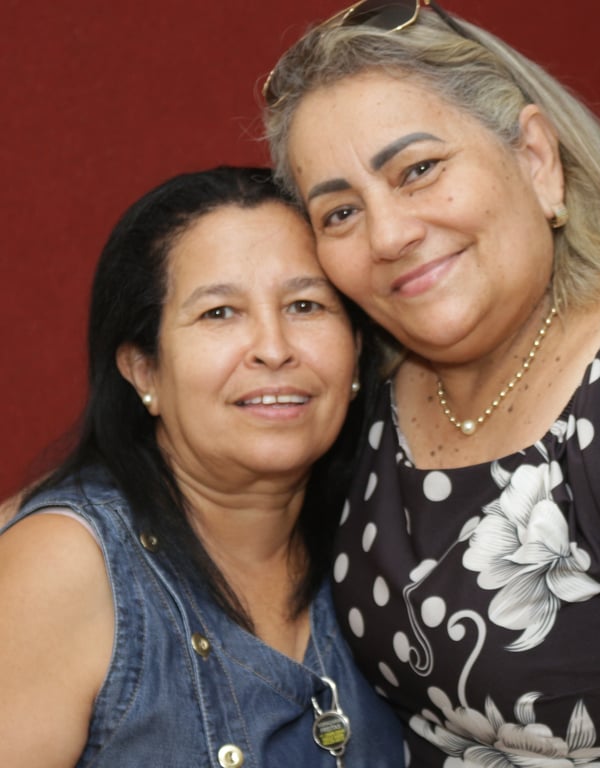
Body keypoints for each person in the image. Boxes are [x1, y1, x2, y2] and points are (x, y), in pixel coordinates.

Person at [261, 3, 600, 766]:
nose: (388, 235)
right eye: (339, 212)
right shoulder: (369, 388)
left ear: (534, 157)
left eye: (419, 170)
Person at [0, 166, 405, 767]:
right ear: (144, 370)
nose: (274, 348)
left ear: (356, 353)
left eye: (305, 305)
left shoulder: (385, 537)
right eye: (219, 313)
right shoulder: (64, 566)